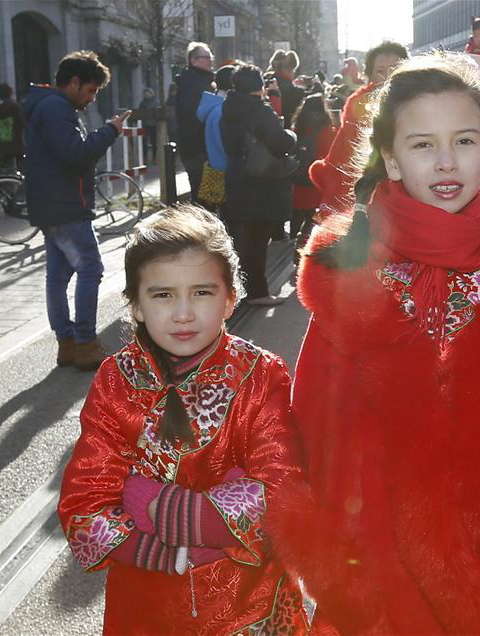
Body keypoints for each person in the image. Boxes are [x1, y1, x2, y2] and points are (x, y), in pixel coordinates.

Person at [265, 53, 480, 634]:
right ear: (391, 159)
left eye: (465, 140)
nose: (448, 161)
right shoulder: (348, 265)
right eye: (423, 144)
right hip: (371, 538)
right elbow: (317, 415)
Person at [57, 206, 310, 634]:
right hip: (146, 607)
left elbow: (283, 491)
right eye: (162, 295)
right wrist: (165, 551)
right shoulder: (116, 380)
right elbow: (83, 506)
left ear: (231, 298)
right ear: (135, 305)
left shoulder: (259, 374)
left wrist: (163, 509)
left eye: (202, 292)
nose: (183, 313)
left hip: (248, 606)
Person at [23, 51, 129, 370]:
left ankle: (67, 344)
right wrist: (109, 131)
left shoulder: (49, 105)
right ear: (73, 82)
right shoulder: (57, 108)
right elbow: (74, 154)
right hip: (65, 205)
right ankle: (84, 342)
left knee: (57, 275)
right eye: (91, 90)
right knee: (90, 268)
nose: (92, 98)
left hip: (50, 203)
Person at [220, 64, 297, 306]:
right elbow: (282, 142)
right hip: (261, 183)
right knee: (257, 241)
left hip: (237, 179)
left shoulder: (228, 108)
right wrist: (292, 135)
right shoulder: (260, 111)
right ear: (259, 87)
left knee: (241, 240)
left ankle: (238, 290)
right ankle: (257, 292)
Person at [308, 40, 409, 215]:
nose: (388, 76)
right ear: (369, 75)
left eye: (395, 68)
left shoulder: (421, 99)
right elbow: (342, 153)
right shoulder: (359, 103)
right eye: (380, 71)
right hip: (369, 190)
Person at [290, 93, 337, 245]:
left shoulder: (298, 125)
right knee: (314, 217)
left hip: (299, 176)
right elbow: (329, 154)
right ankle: (303, 246)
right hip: (317, 179)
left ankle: (293, 240)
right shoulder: (327, 127)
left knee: (300, 214)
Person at [175, 42, 215, 201]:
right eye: (206, 57)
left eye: (211, 57)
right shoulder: (192, 83)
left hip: (202, 148)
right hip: (198, 149)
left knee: (208, 197)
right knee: (204, 198)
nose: (210, 61)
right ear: (193, 60)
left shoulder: (202, 80)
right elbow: (193, 114)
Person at [195, 65, 236, 211]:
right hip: (227, 174)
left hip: (217, 169)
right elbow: (226, 145)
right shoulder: (222, 111)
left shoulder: (214, 108)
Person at [268, 49, 302, 129]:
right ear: (289, 70)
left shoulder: (271, 80)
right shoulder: (284, 85)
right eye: (293, 70)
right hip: (283, 127)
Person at [0, 83, 26, 170]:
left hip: (2, 147)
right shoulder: (16, 107)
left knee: (4, 171)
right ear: (11, 93)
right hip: (17, 145)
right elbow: (24, 124)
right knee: (21, 171)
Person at [137, 87, 158, 164]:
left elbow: (157, 112)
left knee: (154, 142)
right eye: (145, 94)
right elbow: (139, 113)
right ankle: (144, 158)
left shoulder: (155, 102)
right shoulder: (142, 103)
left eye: (148, 94)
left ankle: (154, 158)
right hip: (145, 124)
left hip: (153, 125)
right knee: (144, 143)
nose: (147, 95)